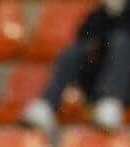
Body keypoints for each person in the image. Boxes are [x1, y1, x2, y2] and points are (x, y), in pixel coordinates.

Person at [21, 0, 129, 131]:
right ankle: (47, 104)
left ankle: (110, 102)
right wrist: (110, 14)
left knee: (121, 41)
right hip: (97, 82)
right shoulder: (98, 14)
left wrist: (119, 14)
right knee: (73, 51)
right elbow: (84, 36)